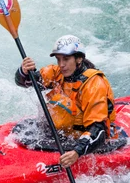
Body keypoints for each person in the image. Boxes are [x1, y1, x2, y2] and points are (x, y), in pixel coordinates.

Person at [14, 35, 118, 169]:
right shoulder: (57, 73)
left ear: (79, 58)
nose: (61, 64)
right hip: (63, 133)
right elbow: (28, 82)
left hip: (87, 140)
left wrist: (76, 152)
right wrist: (24, 71)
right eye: (58, 59)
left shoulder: (94, 84)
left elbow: (98, 129)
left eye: (66, 59)